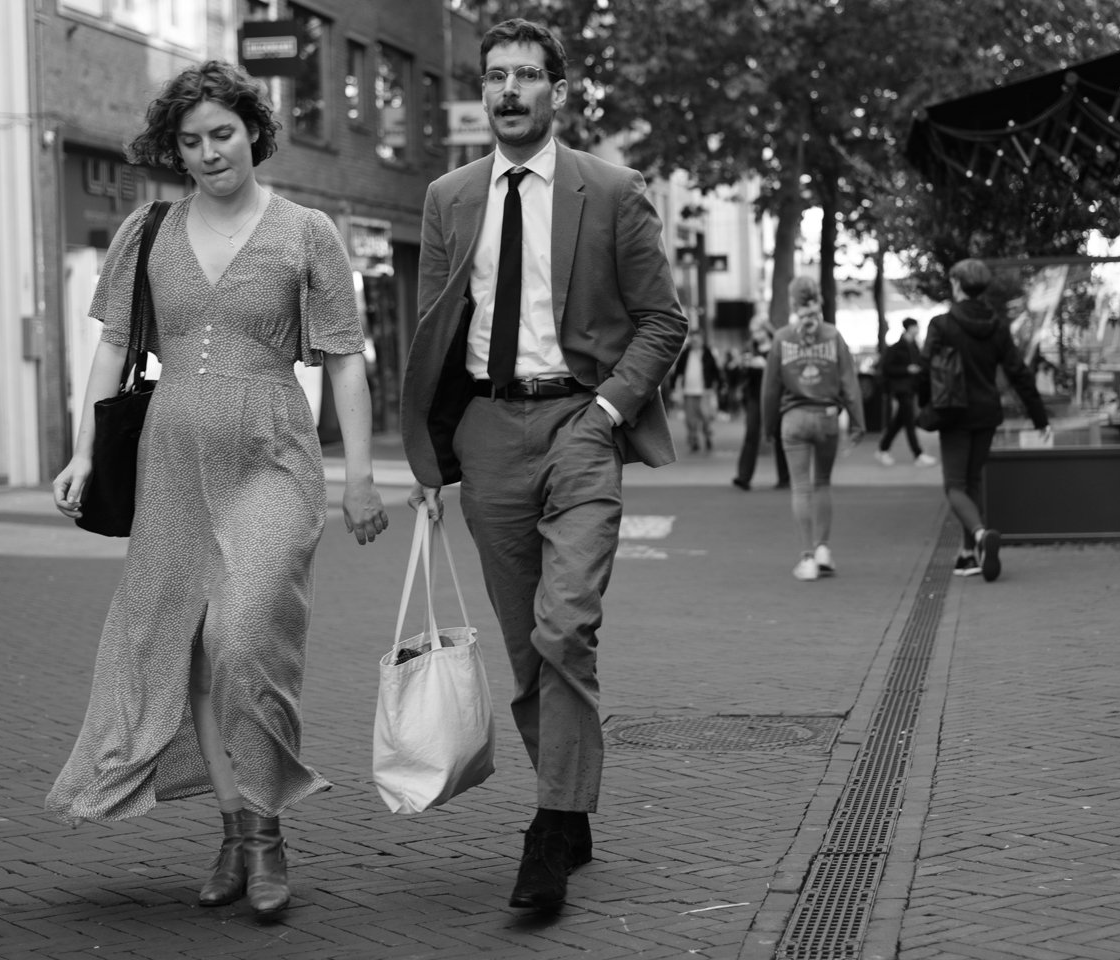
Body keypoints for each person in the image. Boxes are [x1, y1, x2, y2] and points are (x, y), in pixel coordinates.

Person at [47, 60, 388, 920]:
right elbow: (108, 347)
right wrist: (84, 451)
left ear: (253, 132)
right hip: (170, 460)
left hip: (273, 453)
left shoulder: (307, 230)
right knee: (190, 655)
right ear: (176, 148)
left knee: (244, 640)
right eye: (191, 141)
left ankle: (269, 831)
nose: (207, 153)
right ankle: (237, 831)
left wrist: (359, 476)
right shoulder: (148, 230)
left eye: (222, 134)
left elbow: (346, 360)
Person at [400, 19, 687, 912]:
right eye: (495, 77)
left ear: (558, 93)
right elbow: (434, 332)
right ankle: (572, 801)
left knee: (567, 627)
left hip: (579, 423)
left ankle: (552, 828)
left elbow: (662, 320)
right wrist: (424, 448)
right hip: (488, 432)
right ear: (482, 92)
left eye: (528, 76)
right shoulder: (447, 197)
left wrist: (607, 412)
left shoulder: (611, 189)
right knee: (528, 646)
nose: (510, 91)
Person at [927, 258, 1050, 581]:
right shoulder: (997, 327)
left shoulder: (941, 326)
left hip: (954, 413)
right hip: (985, 414)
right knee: (973, 480)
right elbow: (1017, 372)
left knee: (954, 486)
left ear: (957, 285)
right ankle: (968, 556)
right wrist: (1039, 416)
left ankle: (980, 536)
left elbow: (927, 368)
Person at [762, 276, 865, 581]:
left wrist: (769, 425)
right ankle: (823, 550)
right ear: (817, 298)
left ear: (793, 303)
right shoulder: (833, 335)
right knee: (822, 482)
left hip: (793, 419)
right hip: (827, 418)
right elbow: (849, 382)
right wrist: (858, 421)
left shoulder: (782, 338)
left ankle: (807, 558)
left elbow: (770, 388)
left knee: (801, 488)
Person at [732, 323, 790, 490]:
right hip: (754, 397)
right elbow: (740, 377)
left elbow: (785, 372)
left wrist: (765, 365)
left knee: (780, 435)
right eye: (753, 331)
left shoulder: (777, 348)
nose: (755, 334)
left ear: (766, 330)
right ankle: (743, 477)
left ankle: (784, 478)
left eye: (758, 330)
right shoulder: (750, 349)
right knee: (751, 434)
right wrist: (742, 366)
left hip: (776, 397)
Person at [875, 317, 937, 467]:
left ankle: (883, 448)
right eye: (916, 326)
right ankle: (918, 454)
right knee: (909, 422)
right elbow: (887, 368)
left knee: (899, 422)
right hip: (901, 389)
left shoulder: (914, 346)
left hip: (910, 388)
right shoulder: (897, 347)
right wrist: (907, 369)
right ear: (910, 328)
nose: (918, 329)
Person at [672, 328, 720, 453]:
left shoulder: (708, 353)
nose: (695, 341)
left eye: (697, 338)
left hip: (704, 391)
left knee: (706, 417)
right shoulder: (686, 353)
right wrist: (675, 388)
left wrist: (717, 387)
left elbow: (715, 371)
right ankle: (693, 441)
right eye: (693, 338)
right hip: (688, 391)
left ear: (701, 340)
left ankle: (708, 437)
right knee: (690, 419)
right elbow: (678, 371)